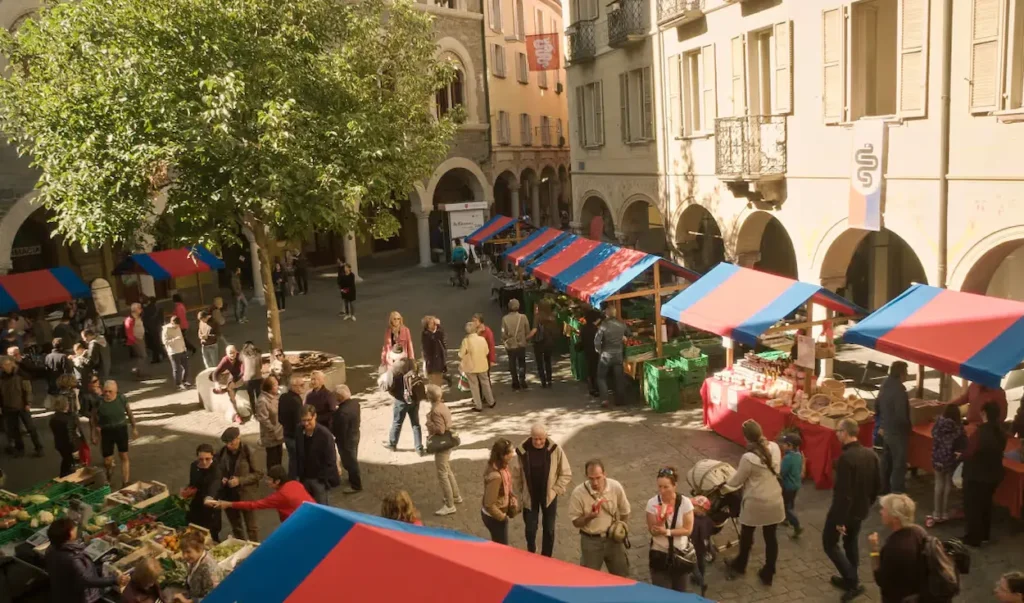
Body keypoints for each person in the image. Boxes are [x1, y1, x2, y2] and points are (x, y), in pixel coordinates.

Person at [825, 418, 882, 602]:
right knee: (850, 542)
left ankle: (852, 580)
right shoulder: (871, 454)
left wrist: (839, 520)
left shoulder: (845, 459)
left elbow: (843, 493)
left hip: (844, 512)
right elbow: (877, 485)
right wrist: (867, 504)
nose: (836, 434)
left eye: (838, 431)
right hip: (860, 510)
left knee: (829, 543)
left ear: (845, 433)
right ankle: (851, 579)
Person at [724, 420, 785, 586]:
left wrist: (725, 482)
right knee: (771, 537)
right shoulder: (775, 447)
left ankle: (740, 564)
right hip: (774, 499)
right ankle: (769, 571)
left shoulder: (748, 458)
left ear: (746, 438)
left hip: (755, 502)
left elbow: (736, 481)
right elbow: (777, 470)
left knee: (747, 534)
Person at [867, 493, 940, 603]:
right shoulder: (919, 531)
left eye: (884, 510)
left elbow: (881, 579)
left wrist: (874, 550)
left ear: (895, 518)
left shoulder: (895, 548)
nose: (880, 512)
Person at [513, 423, 572, 557]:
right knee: (530, 529)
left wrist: (556, 489)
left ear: (546, 436)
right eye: (535, 439)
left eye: (541, 439)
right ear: (531, 437)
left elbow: (566, 473)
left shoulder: (555, 450)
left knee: (549, 530)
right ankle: (532, 551)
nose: (538, 442)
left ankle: (546, 557)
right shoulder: (523, 451)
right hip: (530, 496)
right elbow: (516, 474)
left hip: (549, 496)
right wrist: (518, 493)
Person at [568, 459, 631, 576]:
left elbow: (625, 511)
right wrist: (589, 517)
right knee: (589, 578)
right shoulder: (578, 493)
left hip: (613, 540)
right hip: (590, 541)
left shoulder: (615, 487)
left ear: (604, 474)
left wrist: (620, 526)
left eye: (598, 478)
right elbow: (576, 522)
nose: (595, 482)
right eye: (591, 478)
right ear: (586, 476)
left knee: (622, 576)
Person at [46, 516, 129, 602]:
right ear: (69, 534)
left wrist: (101, 568)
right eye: (72, 528)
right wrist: (115, 580)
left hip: (63, 593)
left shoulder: (52, 549)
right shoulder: (72, 557)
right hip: (80, 597)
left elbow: (74, 572)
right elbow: (87, 580)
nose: (75, 528)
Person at [963, 401, 1007, 547]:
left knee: (973, 507)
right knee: (986, 505)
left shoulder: (980, 433)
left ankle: (973, 538)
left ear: (984, 413)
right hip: (993, 475)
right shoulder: (1001, 433)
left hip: (976, 475)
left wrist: (961, 455)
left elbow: (970, 452)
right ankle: (984, 535)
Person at [208, 465, 314, 524]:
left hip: (298, 524)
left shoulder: (281, 496)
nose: (267, 482)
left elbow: (254, 505)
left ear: (277, 481)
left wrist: (229, 504)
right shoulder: (295, 484)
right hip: (312, 518)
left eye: (269, 479)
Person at [645, 466, 694, 592]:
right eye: (660, 487)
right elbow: (653, 532)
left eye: (666, 487)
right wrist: (661, 521)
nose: (662, 491)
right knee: (663, 595)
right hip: (660, 554)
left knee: (680, 594)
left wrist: (667, 532)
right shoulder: (652, 503)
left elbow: (688, 530)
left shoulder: (685, 503)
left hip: (680, 554)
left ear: (675, 485)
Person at [216, 427, 262, 541]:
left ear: (238, 438)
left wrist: (240, 480)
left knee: (251, 527)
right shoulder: (221, 453)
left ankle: (255, 547)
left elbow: (258, 474)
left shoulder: (249, 452)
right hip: (228, 495)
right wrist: (222, 479)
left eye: (231, 443)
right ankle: (241, 546)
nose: (229, 446)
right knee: (236, 527)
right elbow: (217, 471)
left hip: (246, 495)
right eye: (227, 443)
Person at [91, 380, 138, 486]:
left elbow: (129, 413)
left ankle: (125, 482)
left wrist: (134, 428)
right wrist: (93, 433)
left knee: (124, 456)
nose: (107, 394)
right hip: (106, 431)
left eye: (110, 391)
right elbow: (93, 418)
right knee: (107, 461)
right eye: (105, 391)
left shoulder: (121, 398)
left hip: (121, 429)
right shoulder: (99, 402)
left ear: (116, 391)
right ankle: (109, 471)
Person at [425, 383, 461, 515]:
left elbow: (440, 429)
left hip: (442, 444)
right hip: (449, 441)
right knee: (447, 469)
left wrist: (429, 423)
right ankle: (456, 496)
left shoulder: (435, 410)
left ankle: (450, 504)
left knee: (442, 474)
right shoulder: (442, 406)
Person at [929, 403, 966, 526]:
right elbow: (963, 441)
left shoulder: (938, 424)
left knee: (938, 484)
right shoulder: (958, 427)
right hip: (950, 459)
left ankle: (936, 512)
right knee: (947, 484)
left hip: (937, 457)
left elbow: (933, 435)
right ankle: (944, 512)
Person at [295, 404, 340, 504]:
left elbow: (331, 459)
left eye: (308, 420)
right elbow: (297, 453)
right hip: (304, 477)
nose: (306, 423)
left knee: (322, 505)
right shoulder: (299, 430)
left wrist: (323, 478)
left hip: (319, 479)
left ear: (315, 416)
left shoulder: (325, 435)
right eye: (303, 420)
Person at [878, 361, 911, 495]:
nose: (907, 375)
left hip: (886, 427)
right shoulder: (899, 391)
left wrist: (882, 423)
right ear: (901, 374)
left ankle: (884, 488)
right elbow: (901, 415)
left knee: (887, 460)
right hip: (897, 432)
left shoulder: (885, 385)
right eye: (906, 372)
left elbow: (877, 405)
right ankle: (897, 491)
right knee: (899, 463)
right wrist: (908, 427)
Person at [379, 358, 424, 454]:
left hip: (401, 400)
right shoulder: (412, 363)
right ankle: (419, 447)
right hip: (414, 398)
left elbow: (387, 386)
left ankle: (392, 444)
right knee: (416, 424)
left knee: (397, 422)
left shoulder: (394, 369)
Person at [1, 355, 43, 457]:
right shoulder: (2, 376)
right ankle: (20, 449)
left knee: (31, 428)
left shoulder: (21, 375)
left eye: (6, 364)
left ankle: (38, 448)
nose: (5, 367)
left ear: (11, 364)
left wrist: (28, 403)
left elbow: (27, 390)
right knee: (14, 430)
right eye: (3, 365)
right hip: (8, 406)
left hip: (22, 406)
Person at [181, 443, 223, 541]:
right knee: (195, 532)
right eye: (201, 459)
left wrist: (209, 497)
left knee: (211, 534)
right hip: (196, 505)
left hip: (210, 506)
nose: (204, 462)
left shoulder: (217, 469)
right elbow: (193, 483)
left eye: (207, 459)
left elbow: (215, 484)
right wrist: (187, 490)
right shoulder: (194, 466)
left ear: (212, 456)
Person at [482, 438, 518, 544]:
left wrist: (511, 496)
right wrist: (502, 518)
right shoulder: (495, 476)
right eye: (511, 451)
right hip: (495, 518)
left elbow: (506, 485)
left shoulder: (502, 466)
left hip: (498, 513)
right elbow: (489, 504)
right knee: (501, 547)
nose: (513, 453)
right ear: (503, 455)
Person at [595, 305, 630, 407]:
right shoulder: (622, 324)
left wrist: (599, 351)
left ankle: (605, 399)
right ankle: (620, 400)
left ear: (606, 314)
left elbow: (597, 341)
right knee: (619, 378)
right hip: (618, 354)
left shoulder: (604, 325)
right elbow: (629, 334)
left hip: (606, 355)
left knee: (601, 377)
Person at [331, 384, 362, 493]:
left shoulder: (341, 413)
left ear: (339, 397)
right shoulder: (355, 404)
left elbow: (340, 430)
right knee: (352, 458)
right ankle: (352, 478)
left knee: (350, 462)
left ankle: (356, 485)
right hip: (355, 434)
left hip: (346, 440)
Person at [174, 532, 221, 603]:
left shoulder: (207, 568)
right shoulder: (194, 561)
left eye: (188, 552)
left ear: (199, 549)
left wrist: (188, 601)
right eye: (183, 552)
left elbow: (213, 596)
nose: (184, 556)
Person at [460, 321, 495, 411]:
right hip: (482, 364)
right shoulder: (482, 339)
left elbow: (461, 354)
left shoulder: (466, 341)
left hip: (471, 366)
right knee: (485, 383)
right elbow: (487, 351)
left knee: (474, 385)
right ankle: (491, 401)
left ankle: (478, 405)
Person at [255, 376, 285, 472]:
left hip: (278, 433)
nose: (277, 387)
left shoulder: (276, 396)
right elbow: (263, 419)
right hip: (271, 436)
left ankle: (279, 475)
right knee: (272, 459)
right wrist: (273, 429)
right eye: (275, 385)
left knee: (279, 457)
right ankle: (273, 476)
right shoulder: (263, 401)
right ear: (269, 388)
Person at [778, 432, 804, 538]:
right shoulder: (798, 455)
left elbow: (782, 473)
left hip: (788, 486)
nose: (782, 445)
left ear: (790, 445)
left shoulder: (788, 458)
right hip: (796, 485)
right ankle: (785, 519)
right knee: (790, 503)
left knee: (785, 507)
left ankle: (797, 526)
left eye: (784, 444)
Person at [528, 300, 558, 388]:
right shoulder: (552, 317)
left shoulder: (537, 317)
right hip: (549, 342)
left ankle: (543, 381)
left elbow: (534, 330)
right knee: (548, 361)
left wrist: (527, 338)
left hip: (539, 343)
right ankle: (549, 380)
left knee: (540, 363)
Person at [501, 299, 529, 391]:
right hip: (521, 344)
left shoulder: (505, 319)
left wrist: (506, 340)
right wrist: (525, 339)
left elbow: (503, 333)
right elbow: (527, 330)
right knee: (522, 362)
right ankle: (522, 379)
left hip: (511, 344)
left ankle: (515, 381)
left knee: (512, 363)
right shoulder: (523, 317)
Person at [280, 375, 305, 479]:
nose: (303, 387)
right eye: (301, 385)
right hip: (295, 437)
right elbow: (299, 422)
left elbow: (280, 418)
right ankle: (294, 481)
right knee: (297, 460)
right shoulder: (296, 401)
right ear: (294, 386)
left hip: (286, 434)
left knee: (292, 459)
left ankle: (292, 479)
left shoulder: (283, 397)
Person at [213, 345, 245, 422]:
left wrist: (234, 381)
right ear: (226, 353)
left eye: (234, 352)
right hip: (233, 377)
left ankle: (226, 389)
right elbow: (215, 372)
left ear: (236, 351)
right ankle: (237, 414)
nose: (232, 355)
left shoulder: (240, 357)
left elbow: (242, 372)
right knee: (231, 394)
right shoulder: (225, 360)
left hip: (242, 377)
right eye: (230, 353)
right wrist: (216, 383)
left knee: (231, 387)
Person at [50, 395, 79, 476]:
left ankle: (63, 474)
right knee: (70, 462)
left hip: (59, 444)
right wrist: (75, 448)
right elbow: (70, 434)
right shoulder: (68, 419)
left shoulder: (53, 418)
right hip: (68, 445)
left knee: (66, 460)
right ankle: (65, 475)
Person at [162, 315, 192, 391]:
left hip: (181, 350)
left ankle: (184, 381)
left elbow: (181, 338)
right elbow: (165, 342)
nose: (177, 327)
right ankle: (178, 384)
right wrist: (174, 339)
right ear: (172, 323)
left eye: (178, 325)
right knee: (177, 369)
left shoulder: (178, 327)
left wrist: (184, 347)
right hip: (173, 352)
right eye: (175, 325)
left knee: (186, 367)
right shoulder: (166, 329)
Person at [578, 309, 602, 398]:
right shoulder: (596, 329)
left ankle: (592, 388)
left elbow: (581, 339)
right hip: (596, 351)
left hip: (587, 351)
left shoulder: (583, 328)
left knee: (590, 369)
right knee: (596, 370)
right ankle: (596, 388)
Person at [421, 316, 448, 386]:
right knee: (433, 383)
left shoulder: (438, 333)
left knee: (438, 383)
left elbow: (441, 335)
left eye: (434, 323)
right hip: (431, 363)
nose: (434, 324)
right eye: (432, 323)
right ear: (427, 325)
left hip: (439, 362)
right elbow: (433, 339)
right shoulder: (426, 334)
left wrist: (438, 326)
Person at [124, 302, 148, 378]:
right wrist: (135, 341)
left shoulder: (138, 317)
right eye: (139, 308)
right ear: (135, 310)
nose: (141, 309)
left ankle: (139, 372)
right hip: (136, 339)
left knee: (141, 356)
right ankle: (136, 370)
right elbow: (129, 332)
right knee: (143, 356)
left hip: (140, 338)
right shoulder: (130, 319)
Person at [141, 296, 165, 364]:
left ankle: (158, 357)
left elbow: (144, 319)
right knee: (157, 342)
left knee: (154, 343)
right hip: (157, 327)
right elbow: (161, 318)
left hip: (150, 328)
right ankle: (161, 354)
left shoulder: (147, 309)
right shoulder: (159, 308)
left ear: (149, 301)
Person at [240, 341, 263, 409]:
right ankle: (260, 411)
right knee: (258, 395)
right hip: (257, 377)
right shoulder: (258, 353)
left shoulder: (243, 354)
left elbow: (242, 365)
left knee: (251, 397)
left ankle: (254, 412)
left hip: (248, 379)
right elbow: (260, 366)